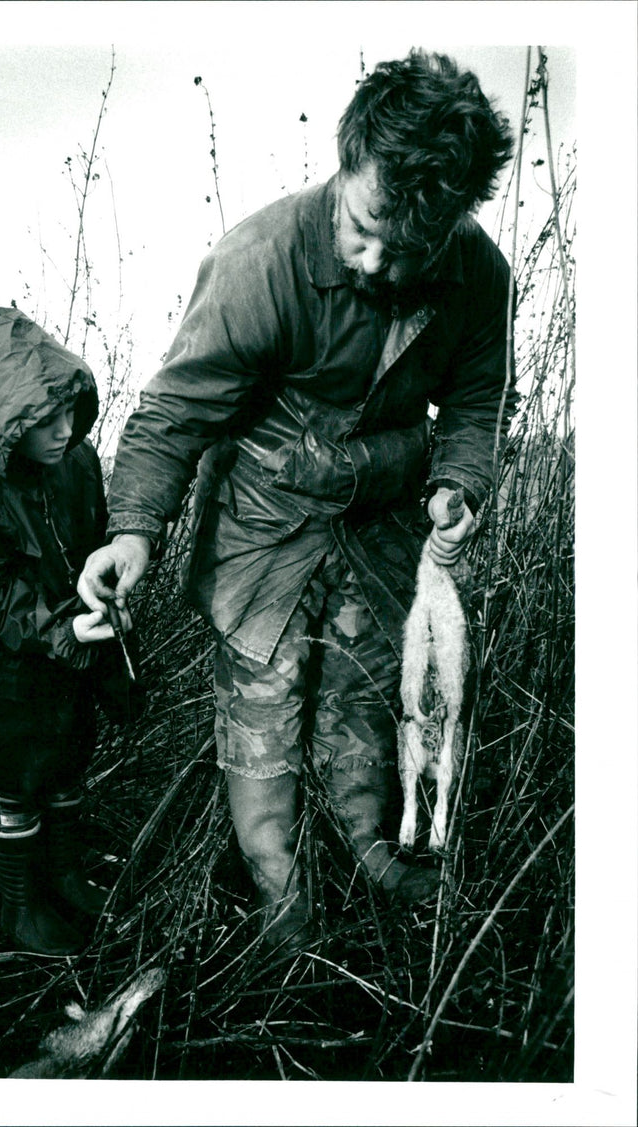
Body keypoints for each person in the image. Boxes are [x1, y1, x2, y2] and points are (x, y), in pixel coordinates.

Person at [78, 51, 516, 952]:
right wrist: (132, 532)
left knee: (360, 702)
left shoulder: (478, 273)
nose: (379, 264)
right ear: (345, 161)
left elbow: (476, 400)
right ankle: (282, 896)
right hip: (262, 536)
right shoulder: (259, 259)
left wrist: (460, 481)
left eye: (413, 248)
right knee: (264, 714)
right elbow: (171, 413)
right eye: (364, 229)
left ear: (456, 221)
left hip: (382, 527)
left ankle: (367, 845)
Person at [0, 306, 134, 956]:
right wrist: (67, 627)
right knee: (14, 789)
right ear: (5, 421)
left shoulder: (75, 463)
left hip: (68, 666)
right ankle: (22, 907)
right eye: (46, 420)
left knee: (68, 769)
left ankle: (65, 875)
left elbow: (94, 543)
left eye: (71, 413)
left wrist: (109, 591)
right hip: (0, 680)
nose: (66, 431)